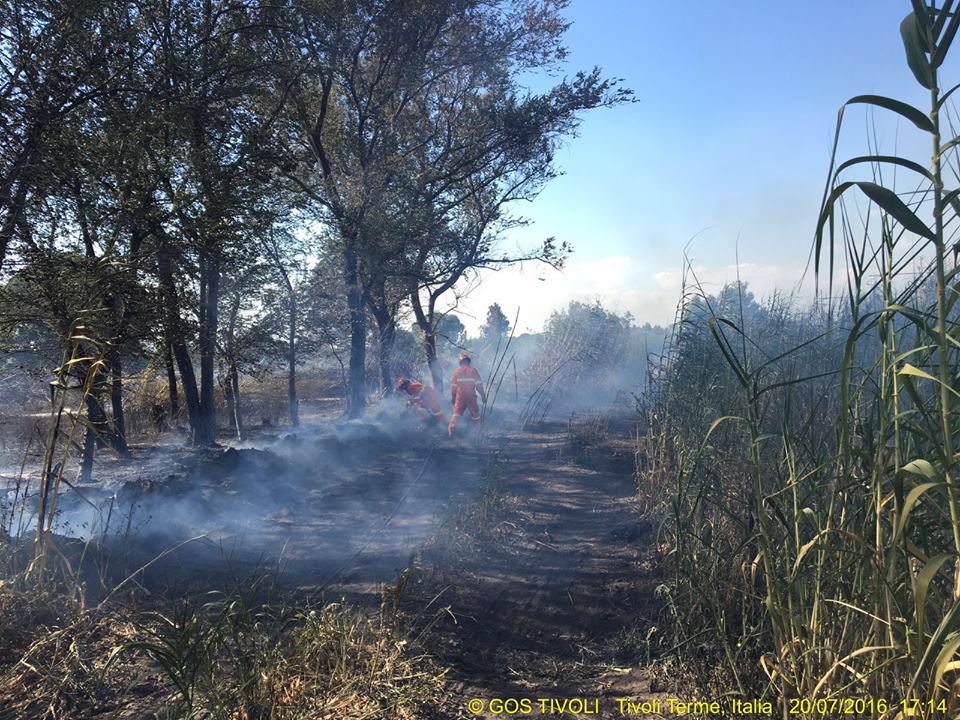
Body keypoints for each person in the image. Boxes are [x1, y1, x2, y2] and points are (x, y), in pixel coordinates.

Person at [448, 352, 486, 435]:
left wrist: (453, 398)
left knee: (457, 414)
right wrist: (483, 395)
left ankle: (451, 431)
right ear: (468, 361)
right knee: (475, 414)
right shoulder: (473, 370)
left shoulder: (456, 371)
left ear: (460, 362)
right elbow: (479, 385)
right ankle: (478, 432)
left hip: (460, 397)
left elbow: (453, 386)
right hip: (471, 396)